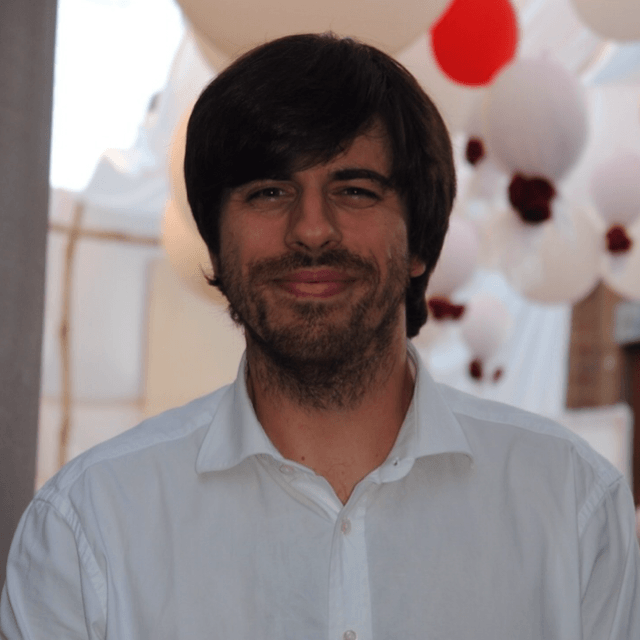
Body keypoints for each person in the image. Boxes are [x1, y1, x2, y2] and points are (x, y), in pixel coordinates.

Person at [2, 33, 639, 640]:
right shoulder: (90, 528)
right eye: (268, 191)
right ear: (217, 246)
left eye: (355, 191)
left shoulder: (571, 509)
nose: (311, 229)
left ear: (419, 242)